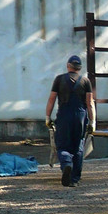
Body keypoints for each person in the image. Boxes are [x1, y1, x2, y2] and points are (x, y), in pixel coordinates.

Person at [44, 55, 95, 187]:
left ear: (68, 66)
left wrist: (48, 117)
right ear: (80, 68)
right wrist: (93, 121)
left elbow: (51, 99)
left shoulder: (59, 79)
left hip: (64, 115)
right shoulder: (85, 81)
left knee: (62, 145)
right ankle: (74, 179)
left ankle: (66, 164)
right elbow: (90, 103)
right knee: (78, 146)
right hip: (80, 116)